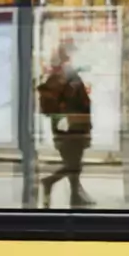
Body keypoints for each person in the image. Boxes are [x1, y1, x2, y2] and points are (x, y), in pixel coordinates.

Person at [37, 41, 94, 208]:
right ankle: (49, 182)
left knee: (74, 164)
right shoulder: (67, 75)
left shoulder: (58, 75)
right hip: (72, 128)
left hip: (65, 127)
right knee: (73, 165)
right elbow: (79, 103)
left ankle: (76, 196)